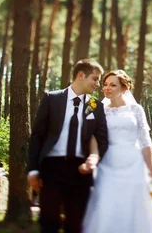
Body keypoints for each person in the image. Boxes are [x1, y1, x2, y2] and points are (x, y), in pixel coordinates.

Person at [28, 59, 109, 233]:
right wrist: (33, 170)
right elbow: (37, 136)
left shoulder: (94, 105)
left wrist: (92, 161)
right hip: (51, 168)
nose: (97, 84)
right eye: (95, 79)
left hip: (80, 170)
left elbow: (102, 140)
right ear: (81, 75)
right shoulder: (52, 98)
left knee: (76, 223)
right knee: (49, 221)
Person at [82, 70, 152, 233]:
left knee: (135, 208)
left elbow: (145, 141)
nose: (107, 88)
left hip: (134, 165)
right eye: (105, 84)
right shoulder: (94, 106)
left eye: (112, 85)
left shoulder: (136, 109)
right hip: (107, 165)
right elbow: (88, 134)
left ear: (124, 88)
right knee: (106, 205)